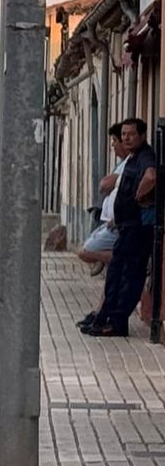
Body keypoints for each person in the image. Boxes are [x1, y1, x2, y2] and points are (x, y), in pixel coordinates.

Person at [83, 117, 157, 338]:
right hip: (126, 226)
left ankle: (116, 322)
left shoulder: (145, 155)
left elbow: (151, 176)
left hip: (138, 227)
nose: (126, 138)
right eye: (123, 134)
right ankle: (106, 318)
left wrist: (137, 195)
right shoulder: (133, 158)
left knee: (129, 276)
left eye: (131, 134)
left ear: (142, 135)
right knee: (116, 272)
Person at [76, 125, 127, 277]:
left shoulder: (129, 163)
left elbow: (105, 185)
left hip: (118, 224)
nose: (112, 145)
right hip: (110, 222)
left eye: (114, 140)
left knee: (85, 251)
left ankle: (121, 259)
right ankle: (108, 260)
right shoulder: (122, 163)